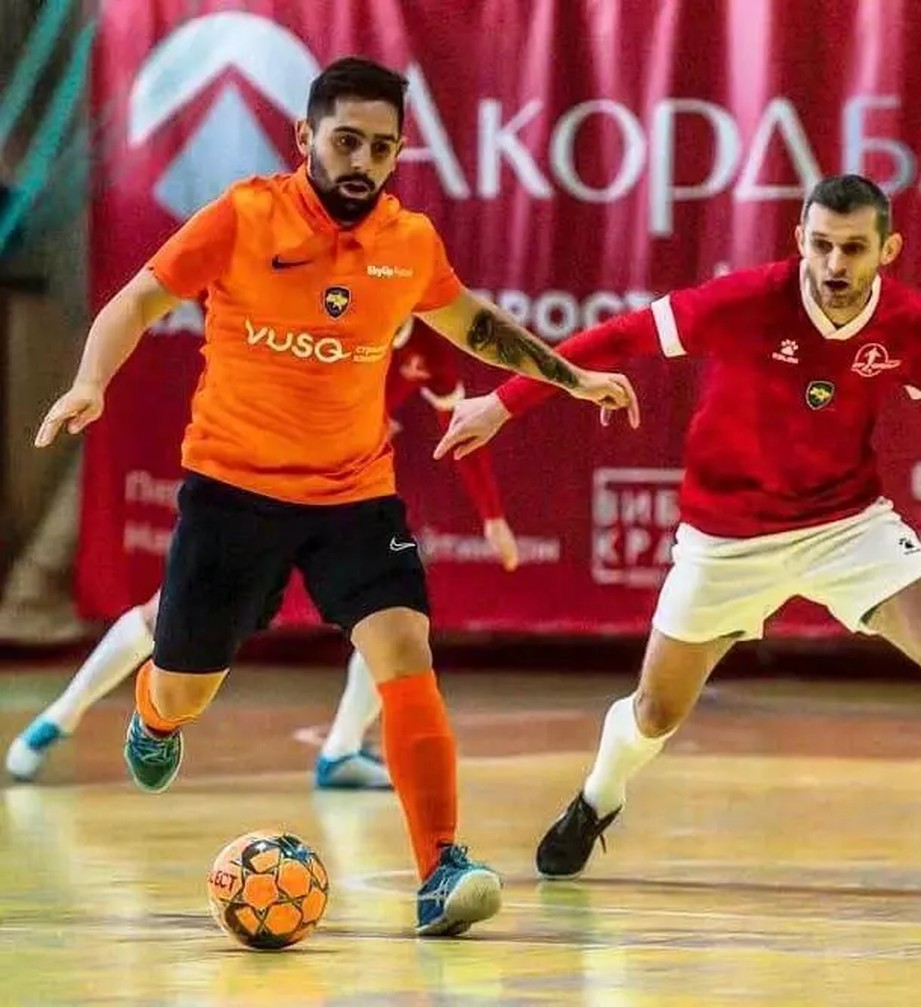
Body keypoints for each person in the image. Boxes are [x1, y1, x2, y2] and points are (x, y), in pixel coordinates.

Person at [33, 57, 636, 935]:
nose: (362, 160)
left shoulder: (408, 242)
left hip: (355, 494)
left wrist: (571, 378)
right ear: (305, 138)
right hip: (233, 492)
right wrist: (91, 381)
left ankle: (440, 867)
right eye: (346, 140)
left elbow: (472, 321)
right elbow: (136, 300)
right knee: (186, 687)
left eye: (381, 147)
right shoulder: (243, 216)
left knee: (404, 645)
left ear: (398, 154)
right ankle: (153, 714)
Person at [434, 173, 921, 881]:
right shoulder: (747, 300)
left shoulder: (911, 324)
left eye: (853, 249)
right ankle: (598, 797)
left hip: (848, 524)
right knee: (656, 712)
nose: (835, 265)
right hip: (726, 539)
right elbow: (618, 336)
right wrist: (504, 404)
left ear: (888, 250)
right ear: (800, 241)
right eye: (821, 245)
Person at [6, 319, 520, 790]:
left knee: (392, 618)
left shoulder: (428, 346)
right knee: (166, 616)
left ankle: (340, 751)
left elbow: (461, 425)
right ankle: (61, 716)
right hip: (260, 491)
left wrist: (493, 516)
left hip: (344, 498)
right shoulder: (323, 313)